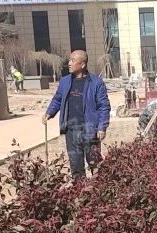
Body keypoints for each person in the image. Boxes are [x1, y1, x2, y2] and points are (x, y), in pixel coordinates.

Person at [42, 50, 111, 179]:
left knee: (95, 164)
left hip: (90, 130)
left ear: (83, 64)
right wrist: (49, 113)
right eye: (69, 60)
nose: (69, 63)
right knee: (76, 166)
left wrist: (102, 127)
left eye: (72, 61)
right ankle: (80, 193)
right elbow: (57, 99)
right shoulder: (65, 81)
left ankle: (99, 193)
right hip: (71, 130)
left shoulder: (96, 83)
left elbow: (104, 106)